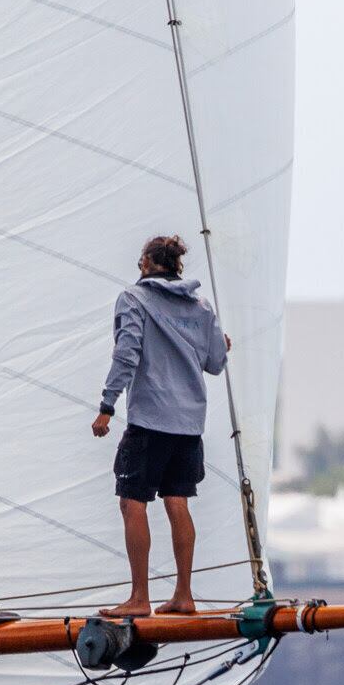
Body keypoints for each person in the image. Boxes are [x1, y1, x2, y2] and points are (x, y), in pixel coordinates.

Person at [94, 234, 229, 618]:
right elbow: (216, 361)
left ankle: (139, 598)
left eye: (140, 261)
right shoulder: (201, 306)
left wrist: (107, 405)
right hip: (189, 425)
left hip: (151, 420)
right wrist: (219, 345)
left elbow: (128, 351)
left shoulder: (134, 299)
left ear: (148, 265)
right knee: (177, 501)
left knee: (132, 501)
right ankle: (184, 595)